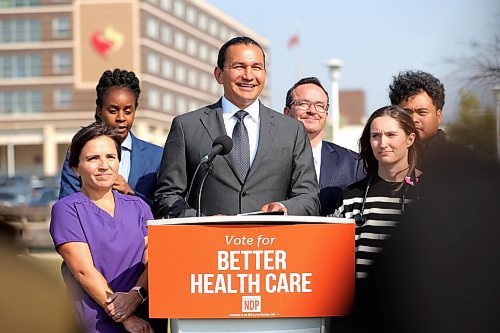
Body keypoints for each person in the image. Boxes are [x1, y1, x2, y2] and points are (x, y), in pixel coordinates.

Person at [154, 36, 319, 217]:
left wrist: (283, 208)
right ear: (219, 74)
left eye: (256, 67)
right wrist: (201, 220)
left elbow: (308, 196)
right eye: (239, 67)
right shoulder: (187, 127)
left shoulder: (291, 130)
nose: (248, 76)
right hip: (209, 241)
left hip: (271, 241)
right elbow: (166, 196)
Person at [50, 123, 165, 333]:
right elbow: (83, 271)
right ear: (76, 167)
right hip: (97, 321)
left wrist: (136, 295)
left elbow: (153, 260)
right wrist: (126, 318)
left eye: (110, 157)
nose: (104, 165)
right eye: (93, 158)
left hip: (146, 318)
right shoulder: (66, 210)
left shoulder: (138, 206)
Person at [336, 105, 421, 282]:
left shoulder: (431, 192)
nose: (382, 144)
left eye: (391, 135)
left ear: (410, 139)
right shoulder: (351, 197)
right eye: (375, 136)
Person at [59, 69, 162, 207]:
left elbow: (164, 212)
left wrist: (130, 194)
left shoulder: (157, 156)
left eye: (127, 111)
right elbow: (67, 205)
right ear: (99, 111)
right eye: (113, 111)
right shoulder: (78, 151)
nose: (121, 118)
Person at [284, 77, 364, 216]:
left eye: (320, 105)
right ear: (286, 112)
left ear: (326, 115)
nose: (312, 111)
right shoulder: (267, 159)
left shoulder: (353, 163)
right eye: (303, 103)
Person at [388, 70, 450, 169]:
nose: (413, 119)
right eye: (406, 113)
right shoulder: (384, 159)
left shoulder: (455, 161)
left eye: (422, 112)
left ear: (438, 116)